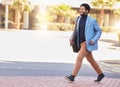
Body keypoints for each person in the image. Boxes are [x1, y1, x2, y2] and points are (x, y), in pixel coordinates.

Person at [65, 3, 105, 82]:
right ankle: (100, 74)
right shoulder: (78, 19)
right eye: (80, 9)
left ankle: (72, 76)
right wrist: (71, 37)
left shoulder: (92, 20)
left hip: (86, 43)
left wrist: (94, 40)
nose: (81, 10)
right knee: (91, 60)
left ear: (87, 11)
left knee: (79, 58)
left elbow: (99, 31)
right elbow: (76, 30)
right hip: (79, 43)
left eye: (83, 9)